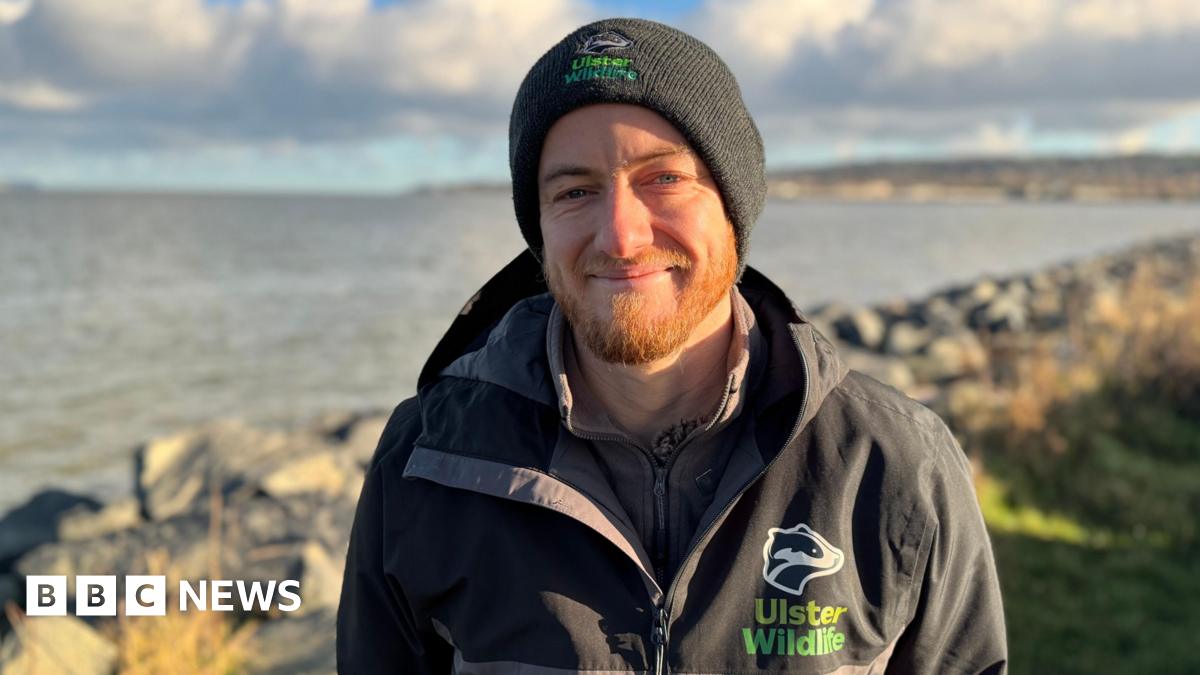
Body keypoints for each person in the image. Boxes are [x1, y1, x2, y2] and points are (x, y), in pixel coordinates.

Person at [337, 17, 1006, 675]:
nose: (621, 236)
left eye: (664, 179)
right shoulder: (428, 463)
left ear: (735, 209)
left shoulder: (889, 464)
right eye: (575, 190)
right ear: (539, 229)